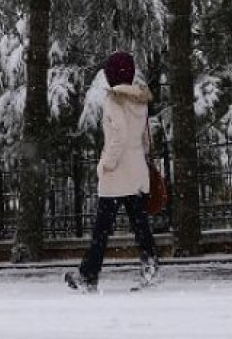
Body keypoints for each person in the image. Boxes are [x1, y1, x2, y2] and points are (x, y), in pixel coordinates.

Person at [65, 51, 160, 292]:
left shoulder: (113, 100)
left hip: (117, 173)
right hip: (136, 170)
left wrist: (106, 163)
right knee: (140, 224)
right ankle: (150, 267)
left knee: (102, 229)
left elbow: (119, 136)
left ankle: (89, 275)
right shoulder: (140, 100)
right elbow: (144, 138)